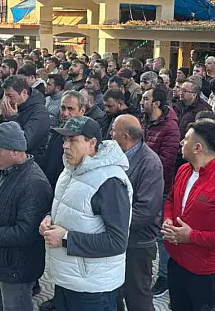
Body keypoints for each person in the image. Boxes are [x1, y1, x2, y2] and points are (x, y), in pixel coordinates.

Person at [41, 116, 132, 311]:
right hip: (68, 278)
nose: (65, 146)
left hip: (93, 289)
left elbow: (117, 242)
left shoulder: (110, 182)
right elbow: (72, 207)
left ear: (92, 143)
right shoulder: (71, 169)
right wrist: (49, 218)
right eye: (65, 140)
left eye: (73, 140)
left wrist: (65, 238)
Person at [163, 120, 215, 311]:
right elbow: (171, 200)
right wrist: (168, 219)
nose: (181, 142)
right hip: (177, 260)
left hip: (207, 271)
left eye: (186, 139)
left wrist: (191, 236)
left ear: (198, 147)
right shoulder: (184, 170)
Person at [0, 122, 53, 311]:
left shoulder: (34, 184)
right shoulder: (6, 170)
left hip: (16, 271)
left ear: (15, 151)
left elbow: (26, 233)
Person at [111, 115, 164, 311]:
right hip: (118, 237)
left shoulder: (150, 163)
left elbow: (145, 211)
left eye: (114, 130)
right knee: (114, 291)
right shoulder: (115, 155)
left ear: (125, 136)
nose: (110, 134)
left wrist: (111, 221)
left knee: (137, 294)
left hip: (137, 242)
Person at [2, 75, 50, 165]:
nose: (7, 100)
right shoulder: (15, 107)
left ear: (24, 93)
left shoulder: (40, 113)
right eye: (5, 96)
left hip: (30, 164)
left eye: (10, 96)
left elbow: (24, 142)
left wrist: (12, 119)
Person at [141, 87, 181, 196]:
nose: (141, 102)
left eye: (145, 99)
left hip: (156, 185)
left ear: (156, 103)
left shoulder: (170, 127)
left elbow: (166, 162)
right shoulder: (143, 120)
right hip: (142, 180)